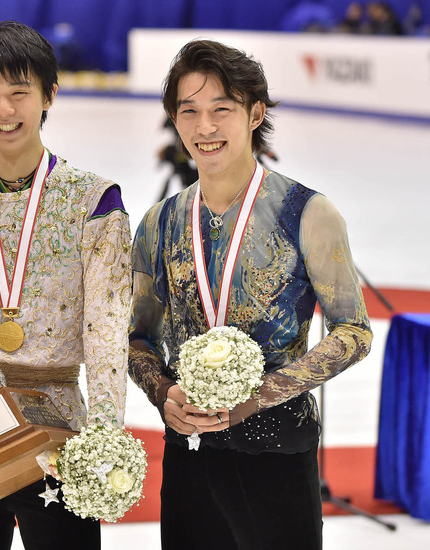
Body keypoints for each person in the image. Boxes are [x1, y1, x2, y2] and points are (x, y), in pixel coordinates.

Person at [128, 40, 372, 550]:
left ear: (255, 113)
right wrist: (163, 394)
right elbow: (136, 337)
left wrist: (258, 396)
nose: (205, 127)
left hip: (278, 450)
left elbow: (353, 331)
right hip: (190, 448)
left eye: (223, 109)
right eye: (189, 111)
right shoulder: (160, 223)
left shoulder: (308, 213)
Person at [0, 20, 131, 550]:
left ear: (49, 95)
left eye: (19, 93)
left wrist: (104, 436)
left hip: (58, 424)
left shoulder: (94, 201)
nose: (3, 110)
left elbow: (107, 328)